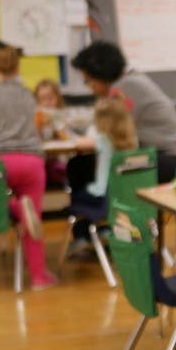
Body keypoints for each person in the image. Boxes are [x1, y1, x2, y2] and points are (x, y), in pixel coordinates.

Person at [0, 40, 57, 291]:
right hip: (33, 162)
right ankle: (39, 277)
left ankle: (15, 207)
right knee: (33, 220)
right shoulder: (28, 93)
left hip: (1, 163)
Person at [70, 40, 176, 183]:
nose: (90, 87)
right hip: (167, 156)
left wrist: (78, 139)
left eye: (88, 80)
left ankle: (102, 205)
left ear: (101, 73)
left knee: (82, 167)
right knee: (84, 165)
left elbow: (113, 135)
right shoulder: (129, 80)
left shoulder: (123, 88)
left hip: (172, 159)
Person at [66, 93, 138, 250]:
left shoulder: (102, 140)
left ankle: (83, 234)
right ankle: (103, 231)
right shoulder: (133, 142)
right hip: (130, 198)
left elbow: (79, 144)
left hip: (103, 199)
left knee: (76, 167)